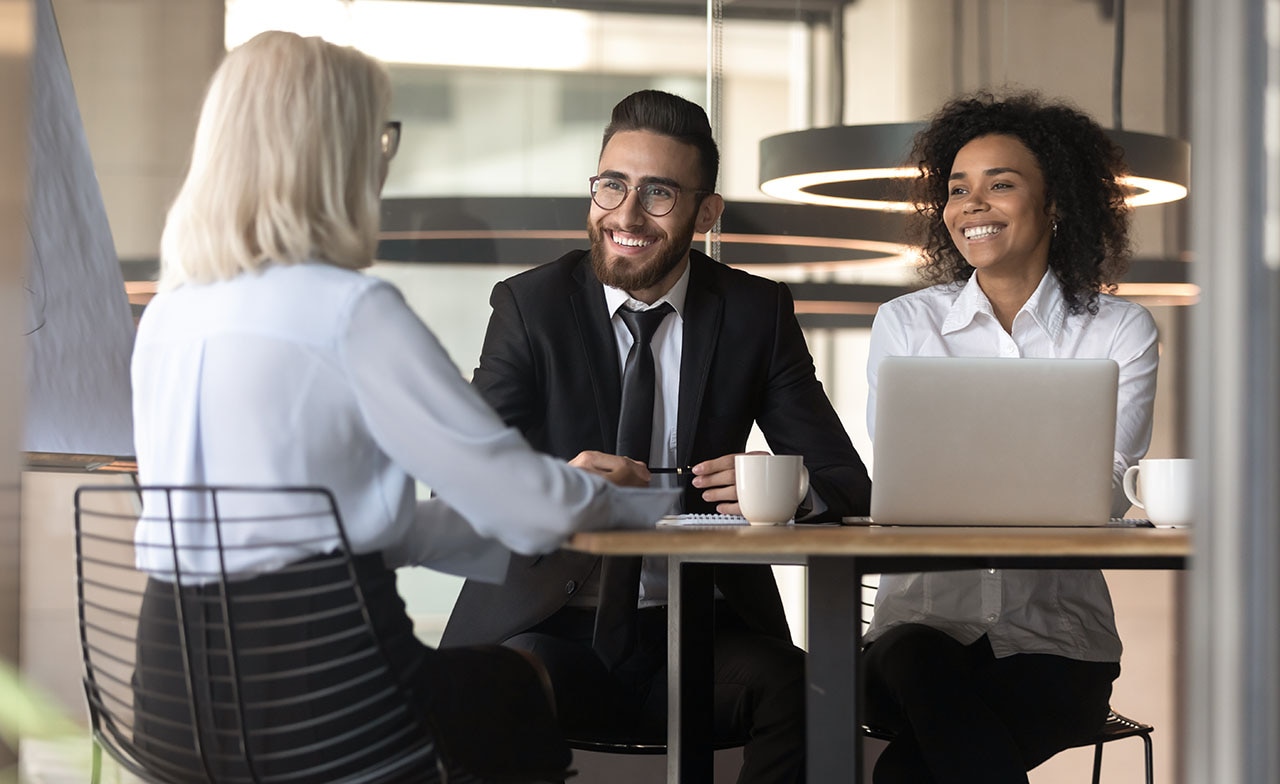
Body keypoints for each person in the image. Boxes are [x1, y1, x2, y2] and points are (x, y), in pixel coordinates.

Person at [129, 31, 675, 782]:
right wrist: (612, 498)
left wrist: (527, 511)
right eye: (380, 137)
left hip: (166, 701)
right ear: (339, 152)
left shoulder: (171, 315)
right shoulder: (349, 311)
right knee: (519, 687)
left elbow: (324, 531)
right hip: (324, 708)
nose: (384, 160)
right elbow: (526, 505)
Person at [441, 89, 872, 784]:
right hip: (548, 625)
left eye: (659, 193)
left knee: (812, 686)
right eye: (612, 185)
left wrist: (783, 489)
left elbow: (846, 484)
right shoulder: (530, 306)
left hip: (701, 630)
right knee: (487, 690)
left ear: (706, 213)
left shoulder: (754, 313)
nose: (627, 215)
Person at [861, 90, 1160, 784]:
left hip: (1057, 646)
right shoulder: (906, 323)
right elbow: (907, 478)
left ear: (1055, 203)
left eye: (1001, 183)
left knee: (906, 774)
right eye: (958, 188)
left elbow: (1107, 491)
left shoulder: (1119, 330)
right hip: (914, 639)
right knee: (917, 658)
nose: (972, 203)